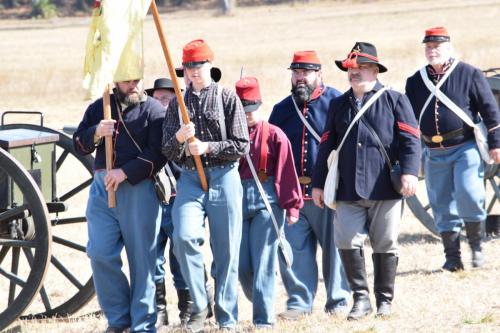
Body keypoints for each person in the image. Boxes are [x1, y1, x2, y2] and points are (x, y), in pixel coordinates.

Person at [312, 42, 421, 319]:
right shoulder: (338, 105)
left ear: (375, 70)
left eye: (361, 68)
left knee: (385, 243)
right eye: (351, 68)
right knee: (347, 239)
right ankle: (361, 299)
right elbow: (327, 146)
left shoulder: (395, 100)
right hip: (348, 188)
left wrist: (409, 172)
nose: (354, 73)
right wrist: (318, 183)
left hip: (385, 187)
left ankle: (384, 300)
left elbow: (410, 140)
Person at [161, 39, 249, 332]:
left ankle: (226, 316)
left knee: (226, 251)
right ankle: (200, 305)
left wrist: (207, 146)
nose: (193, 72)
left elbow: (241, 145)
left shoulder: (227, 98)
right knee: (184, 238)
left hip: (224, 175)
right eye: (188, 67)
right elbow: (167, 151)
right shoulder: (177, 104)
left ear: (210, 66)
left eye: (198, 66)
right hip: (189, 179)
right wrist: (180, 140)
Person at [74, 79, 166, 333]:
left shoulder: (155, 110)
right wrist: (95, 132)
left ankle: (143, 324)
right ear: (115, 81)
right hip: (102, 189)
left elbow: (158, 153)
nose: (134, 85)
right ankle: (118, 319)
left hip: (138, 189)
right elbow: (78, 144)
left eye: (137, 79)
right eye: (127, 81)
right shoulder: (99, 107)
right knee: (100, 252)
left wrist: (125, 172)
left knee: (142, 260)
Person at [405, 27, 500, 271]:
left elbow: (491, 111)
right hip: (433, 151)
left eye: (436, 46)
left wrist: (496, 143)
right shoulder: (415, 82)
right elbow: (409, 121)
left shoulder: (469, 74)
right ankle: (452, 257)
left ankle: (477, 247)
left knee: (469, 193)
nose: (432, 50)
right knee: (441, 204)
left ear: (448, 47)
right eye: (428, 47)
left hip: (464, 146)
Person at [268, 50, 350, 320]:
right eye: (296, 72)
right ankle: (299, 303)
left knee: (335, 251)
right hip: (293, 195)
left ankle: (338, 301)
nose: (300, 78)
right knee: (294, 252)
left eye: (306, 72)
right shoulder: (281, 110)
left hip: (327, 192)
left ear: (319, 74)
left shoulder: (337, 102)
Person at [235, 76, 303, 328]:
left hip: (267, 202)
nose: (248, 115)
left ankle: (264, 320)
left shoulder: (274, 134)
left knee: (264, 261)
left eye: (252, 109)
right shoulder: (230, 135)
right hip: (236, 202)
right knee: (242, 266)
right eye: (243, 110)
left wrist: (292, 206)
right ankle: (261, 299)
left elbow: (286, 172)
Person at [147, 77, 192, 328]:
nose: (161, 103)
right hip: (152, 199)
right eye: (158, 98)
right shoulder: (148, 125)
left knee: (181, 256)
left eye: (167, 98)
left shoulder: (184, 126)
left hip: (178, 198)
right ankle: (159, 311)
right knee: (153, 257)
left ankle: (188, 308)